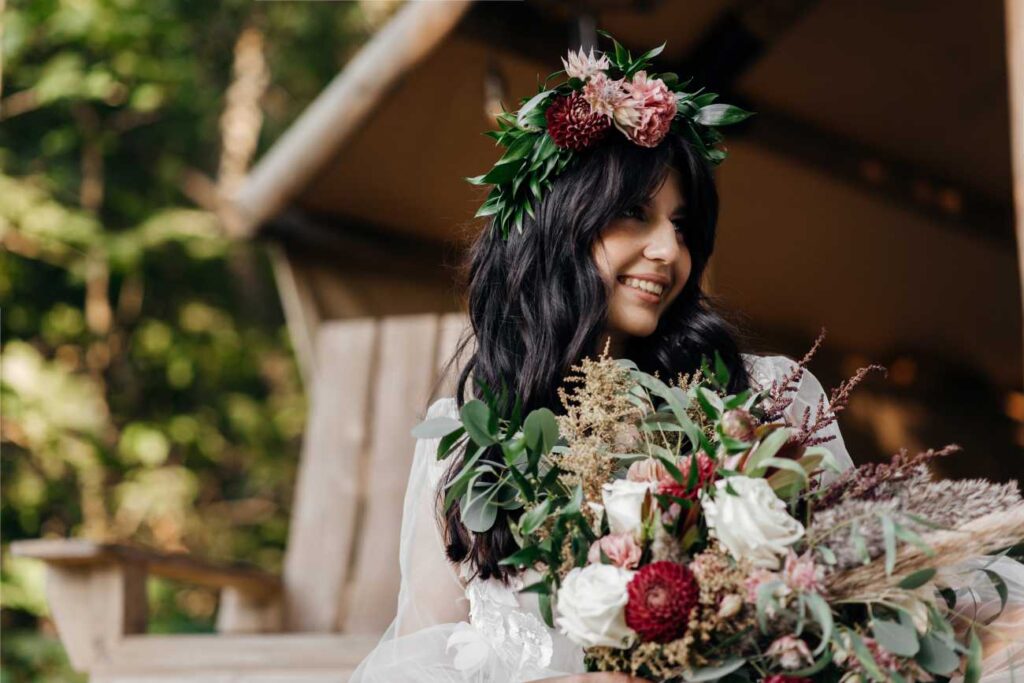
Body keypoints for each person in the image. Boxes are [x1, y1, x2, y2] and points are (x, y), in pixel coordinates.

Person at [350, 40, 1023, 682]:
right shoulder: (468, 442)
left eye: (682, 225)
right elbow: (419, 652)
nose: (669, 251)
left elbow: (866, 594)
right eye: (635, 214)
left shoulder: (761, 399)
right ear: (557, 225)